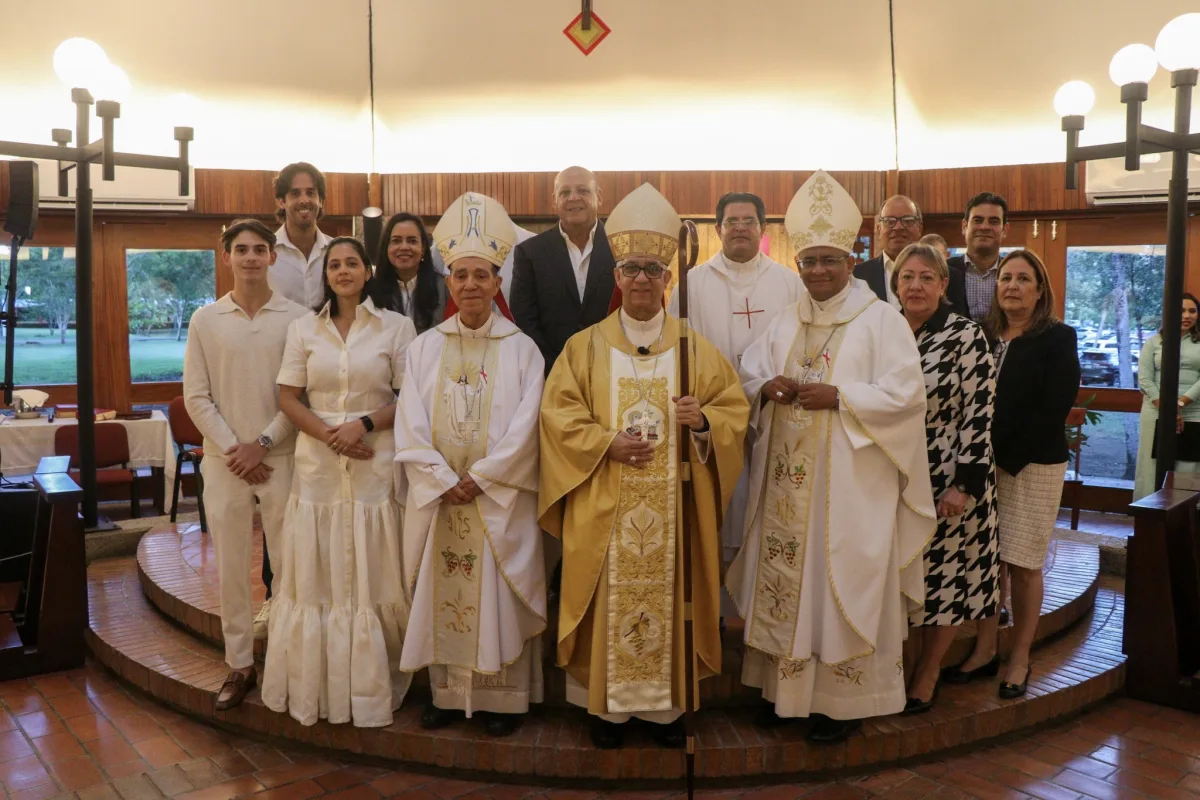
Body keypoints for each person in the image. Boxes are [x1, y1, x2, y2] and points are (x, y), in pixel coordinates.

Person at [539, 183, 749, 750]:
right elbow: (558, 416)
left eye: (652, 270)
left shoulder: (693, 348)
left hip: (674, 513)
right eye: (630, 268)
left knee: (671, 596)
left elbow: (733, 411)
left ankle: (664, 710)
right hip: (605, 505)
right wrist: (604, 442)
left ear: (667, 280)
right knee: (606, 597)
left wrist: (702, 422)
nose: (640, 279)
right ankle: (606, 711)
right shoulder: (583, 347)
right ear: (616, 276)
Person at [729, 171, 936, 744]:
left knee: (838, 584)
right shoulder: (786, 318)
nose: (818, 270)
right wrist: (764, 388)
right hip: (785, 491)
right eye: (809, 261)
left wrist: (841, 397)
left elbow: (907, 397)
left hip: (849, 493)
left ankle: (840, 703)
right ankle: (784, 694)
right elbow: (750, 373)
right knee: (789, 586)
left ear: (850, 261)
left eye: (829, 260)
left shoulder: (881, 320)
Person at [395, 192, 547, 738]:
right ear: (449, 282)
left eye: (482, 275)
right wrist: (441, 480)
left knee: (495, 596)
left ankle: (501, 699)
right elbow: (409, 422)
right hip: (442, 499)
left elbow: (528, 427)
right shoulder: (424, 349)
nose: (471, 285)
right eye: (461, 275)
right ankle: (448, 693)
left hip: (495, 499)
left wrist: (481, 479)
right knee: (442, 593)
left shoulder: (523, 350)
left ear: (498, 283)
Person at [260, 236, 415, 727]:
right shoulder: (304, 329)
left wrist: (362, 426)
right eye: (334, 265)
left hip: (374, 458)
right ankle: (320, 684)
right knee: (320, 571)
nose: (343, 271)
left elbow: (411, 395)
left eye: (351, 263)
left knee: (373, 566)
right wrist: (333, 436)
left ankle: (372, 683)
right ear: (325, 276)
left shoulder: (396, 326)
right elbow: (288, 397)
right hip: (318, 464)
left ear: (368, 271)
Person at [183, 219, 311, 710]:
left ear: (273, 257)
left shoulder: (297, 318)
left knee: (290, 568)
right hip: (225, 464)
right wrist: (235, 449)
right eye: (242, 249)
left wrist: (262, 442)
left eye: (260, 249)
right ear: (227, 257)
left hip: (280, 458)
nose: (251, 257)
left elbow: (301, 395)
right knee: (232, 569)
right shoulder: (205, 319)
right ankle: (239, 665)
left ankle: (287, 662)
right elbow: (196, 396)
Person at [944, 250, 1079, 700]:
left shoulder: (1057, 337)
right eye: (1006, 278)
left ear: (1040, 290)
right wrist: (974, 458)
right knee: (987, 561)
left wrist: (1001, 456)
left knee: (1022, 562)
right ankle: (985, 649)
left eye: (1024, 279)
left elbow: (1053, 408)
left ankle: (1020, 656)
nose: (1013, 286)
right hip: (980, 464)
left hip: (1032, 464)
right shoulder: (981, 334)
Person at [667, 192, 805, 568]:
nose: (740, 228)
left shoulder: (789, 284)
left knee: (768, 516)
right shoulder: (691, 284)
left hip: (773, 415)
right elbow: (676, 350)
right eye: (732, 221)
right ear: (718, 229)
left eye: (748, 221)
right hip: (712, 419)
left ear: (763, 228)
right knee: (718, 513)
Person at [891, 243, 1000, 714]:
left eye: (926, 277)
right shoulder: (885, 329)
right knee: (904, 574)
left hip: (949, 473)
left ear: (943, 284)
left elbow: (979, 413)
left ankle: (929, 671)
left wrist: (964, 485)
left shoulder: (965, 335)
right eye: (907, 277)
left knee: (946, 577)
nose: (915, 286)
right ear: (895, 284)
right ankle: (897, 667)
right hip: (895, 473)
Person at [257, 161, 334, 636]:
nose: (304, 200)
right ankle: (275, 594)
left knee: (329, 494)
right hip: (282, 383)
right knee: (283, 500)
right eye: (296, 193)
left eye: (312, 192)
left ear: (320, 199)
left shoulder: (336, 251)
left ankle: (326, 590)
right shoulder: (267, 252)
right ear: (282, 200)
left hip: (331, 382)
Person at [511, 166, 616, 376]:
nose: (573, 197)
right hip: (551, 376)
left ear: (599, 197)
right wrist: (559, 371)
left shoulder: (620, 248)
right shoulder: (530, 253)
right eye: (565, 192)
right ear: (554, 200)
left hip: (612, 372)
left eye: (583, 190)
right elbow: (525, 320)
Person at [1134, 294, 1200, 499]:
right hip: (1155, 410)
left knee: (1188, 466)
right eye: (1181, 311)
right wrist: (1168, 409)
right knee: (1151, 465)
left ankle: (1184, 516)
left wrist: (1179, 405)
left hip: (1193, 411)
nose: (1187, 316)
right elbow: (1144, 379)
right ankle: (1148, 514)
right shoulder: (1154, 342)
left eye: (1192, 311)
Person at [856, 195, 966, 316]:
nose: (898, 227)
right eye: (889, 221)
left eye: (907, 220)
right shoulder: (857, 276)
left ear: (919, 228)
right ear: (879, 229)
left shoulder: (951, 276)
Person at [372, 212, 448, 334]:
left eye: (412, 241)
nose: (404, 247)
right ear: (386, 247)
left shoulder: (444, 287)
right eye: (396, 241)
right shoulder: (372, 291)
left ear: (423, 248)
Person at [948, 193, 1010, 323]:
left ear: (1005, 230)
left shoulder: (1014, 274)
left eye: (994, 221)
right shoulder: (943, 271)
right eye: (978, 220)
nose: (984, 227)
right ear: (964, 226)